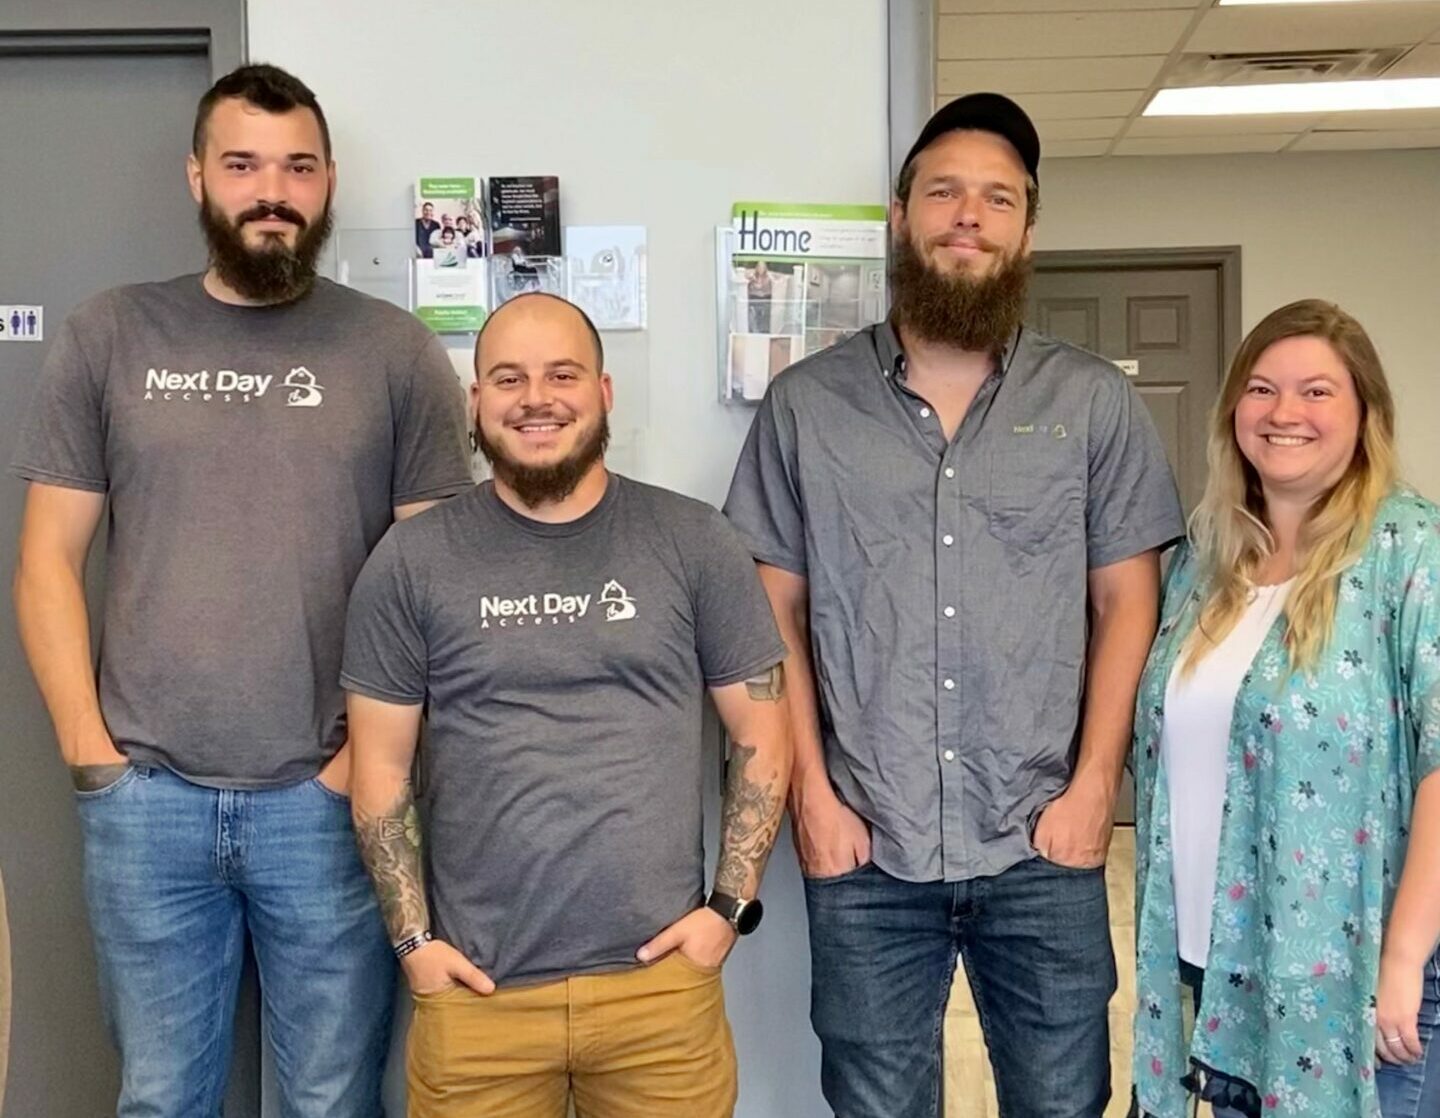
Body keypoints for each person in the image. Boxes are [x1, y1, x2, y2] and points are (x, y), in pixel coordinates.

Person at [10, 64, 472, 1118]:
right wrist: (93, 756)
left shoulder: (393, 353)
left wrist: (361, 767)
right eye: (244, 164)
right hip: (147, 803)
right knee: (163, 1095)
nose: (273, 189)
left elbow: (432, 585)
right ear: (196, 178)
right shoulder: (111, 335)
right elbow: (45, 560)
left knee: (330, 1096)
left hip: (332, 805)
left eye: (298, 166)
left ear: (328, 182)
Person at [724, 91, 1185, 1117]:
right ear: (900, 217)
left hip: (1041, 840)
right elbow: (772, 612)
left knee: (1065, 1102)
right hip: (866, 841)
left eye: (997, 198)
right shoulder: (807, 405)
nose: (967, 216)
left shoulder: (1091, 403)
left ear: (1027, 230)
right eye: (943, 193)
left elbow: (1128, 601)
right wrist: (811, 794)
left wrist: (1094, 785)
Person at [343, 292, 792, 1118]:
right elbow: (378, 764)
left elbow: (763, 733)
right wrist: (414, 946)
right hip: (478, 1001)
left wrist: (725, 911)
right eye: (507, 378)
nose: (536, 398)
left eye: (562, 374)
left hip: (660, 997)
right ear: (475, 402)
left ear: (604, 392)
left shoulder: (693, 542)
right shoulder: (412, 561)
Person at [1131, 300, 1440, 1118]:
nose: (1284, 413)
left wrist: (1405, 957)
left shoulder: (1410, 549)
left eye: (1317, 392)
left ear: (1365, 411)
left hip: (1360, 978)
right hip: (1221, 968)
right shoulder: (1205, 560)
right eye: (1262, 389)